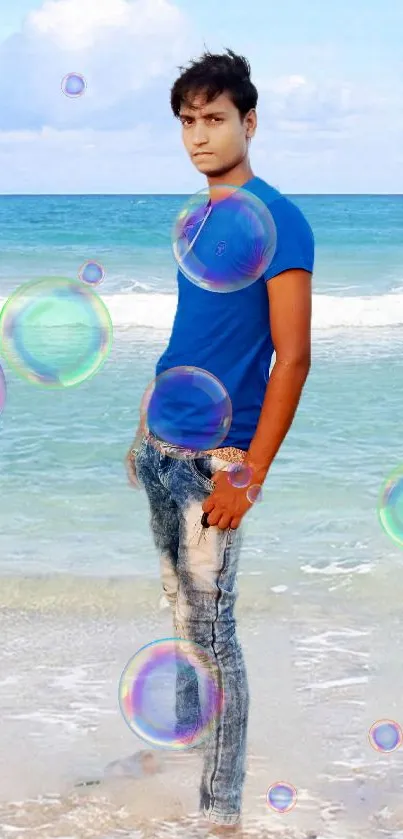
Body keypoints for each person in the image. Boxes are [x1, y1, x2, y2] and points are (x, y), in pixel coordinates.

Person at [125, 48, 314, 835]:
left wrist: (251, 475)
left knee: (214, 632)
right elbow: (192, 332)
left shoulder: (280, 219)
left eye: (213, 119)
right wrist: (143, 421)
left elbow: (291, 356)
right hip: (162, 445)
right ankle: (181, 749)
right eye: (187, 122)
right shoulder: (196, 220)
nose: (198, 136)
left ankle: (219, 810)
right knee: (178, 611)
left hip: (218, 463)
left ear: (248, 122)